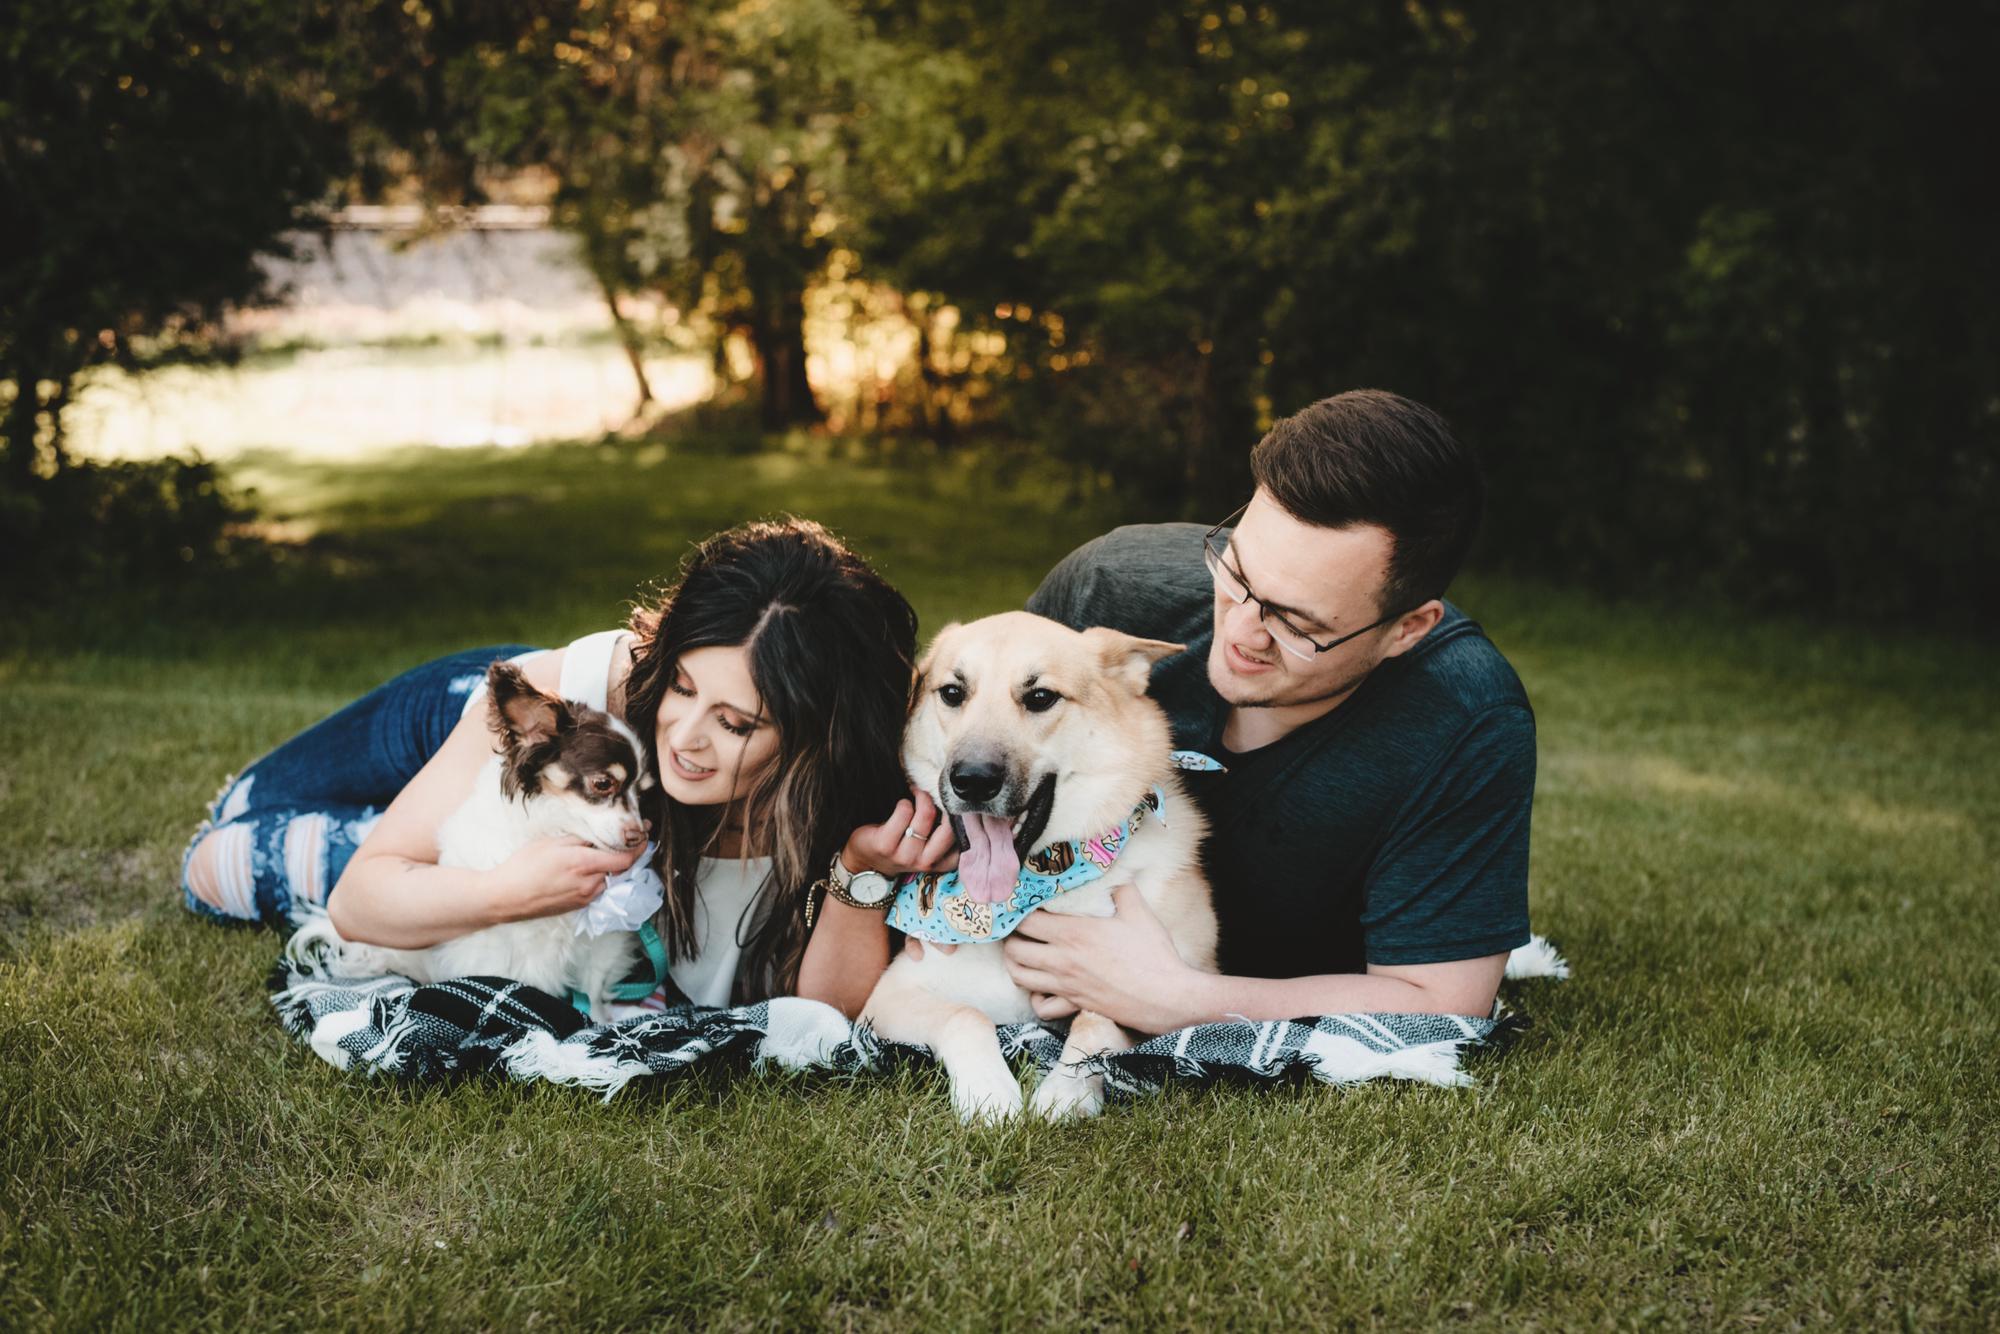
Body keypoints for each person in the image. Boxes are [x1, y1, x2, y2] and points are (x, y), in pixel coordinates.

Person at [181, 517, 958, 1018]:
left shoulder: (860, 798)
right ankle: (396, 828)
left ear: (818, 738)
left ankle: (390, 837)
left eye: (735, 723)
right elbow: (360, 904)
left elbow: (827, 1016)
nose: (683, 739)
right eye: (682, 686)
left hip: (528, 807)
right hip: (481, 717)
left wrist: (861, 876)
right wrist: (500, 892)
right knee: (225, 836)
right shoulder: (588, 694)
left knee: (224, 869)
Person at [996, 389, 1535, 1028]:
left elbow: (1443, 1002)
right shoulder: (1112, 587)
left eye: (1296, 622)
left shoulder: (1468, 719)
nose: (1243, 630)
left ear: (1406, 629)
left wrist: (1182, 1000)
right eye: (1237, 574)